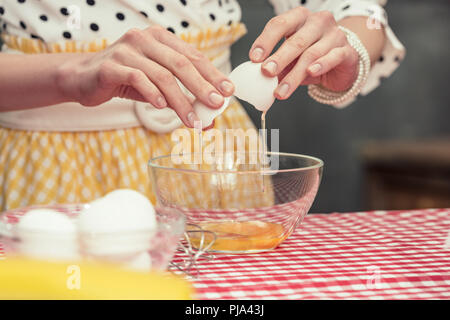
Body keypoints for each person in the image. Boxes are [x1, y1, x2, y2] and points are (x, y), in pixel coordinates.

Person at [0, 0, 405, 210]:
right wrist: (69, 73)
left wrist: (345, 47)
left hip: (215, 155)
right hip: (49, 159)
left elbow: (351, 8)